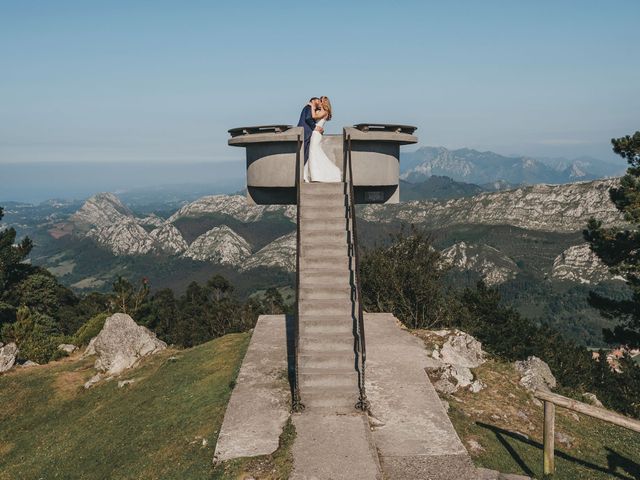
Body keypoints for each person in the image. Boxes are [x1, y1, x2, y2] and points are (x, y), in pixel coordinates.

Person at [304, 96, 341, 183]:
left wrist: (312, 106)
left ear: (324, 103)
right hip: (315, 133)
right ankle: (315, 176)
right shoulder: (321, 111)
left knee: (314, 153)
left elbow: (314, 116)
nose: (319, 103)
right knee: (314, 154)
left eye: (320, 101)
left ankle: (332, 172)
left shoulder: (325, 112)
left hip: (316, 135)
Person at [297, 97, 324, 165]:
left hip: (305, 131)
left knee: (305, 153)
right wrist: (315, 127)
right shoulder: (308, 107)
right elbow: (308, 118)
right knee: (304, 152)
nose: (319, 102)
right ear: (313, 101)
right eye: (318, 100)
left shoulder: (310, 108)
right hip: (305, 131)